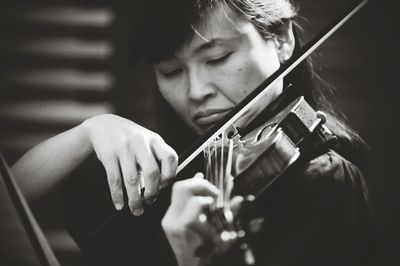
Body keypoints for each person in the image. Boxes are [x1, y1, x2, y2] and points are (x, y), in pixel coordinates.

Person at [12, 0, 379, 265]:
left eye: (217, 59)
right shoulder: (157, 179)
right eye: (171, 71)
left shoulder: (324, 182)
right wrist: (88, 133)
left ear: (281, 39)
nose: (195, 92)